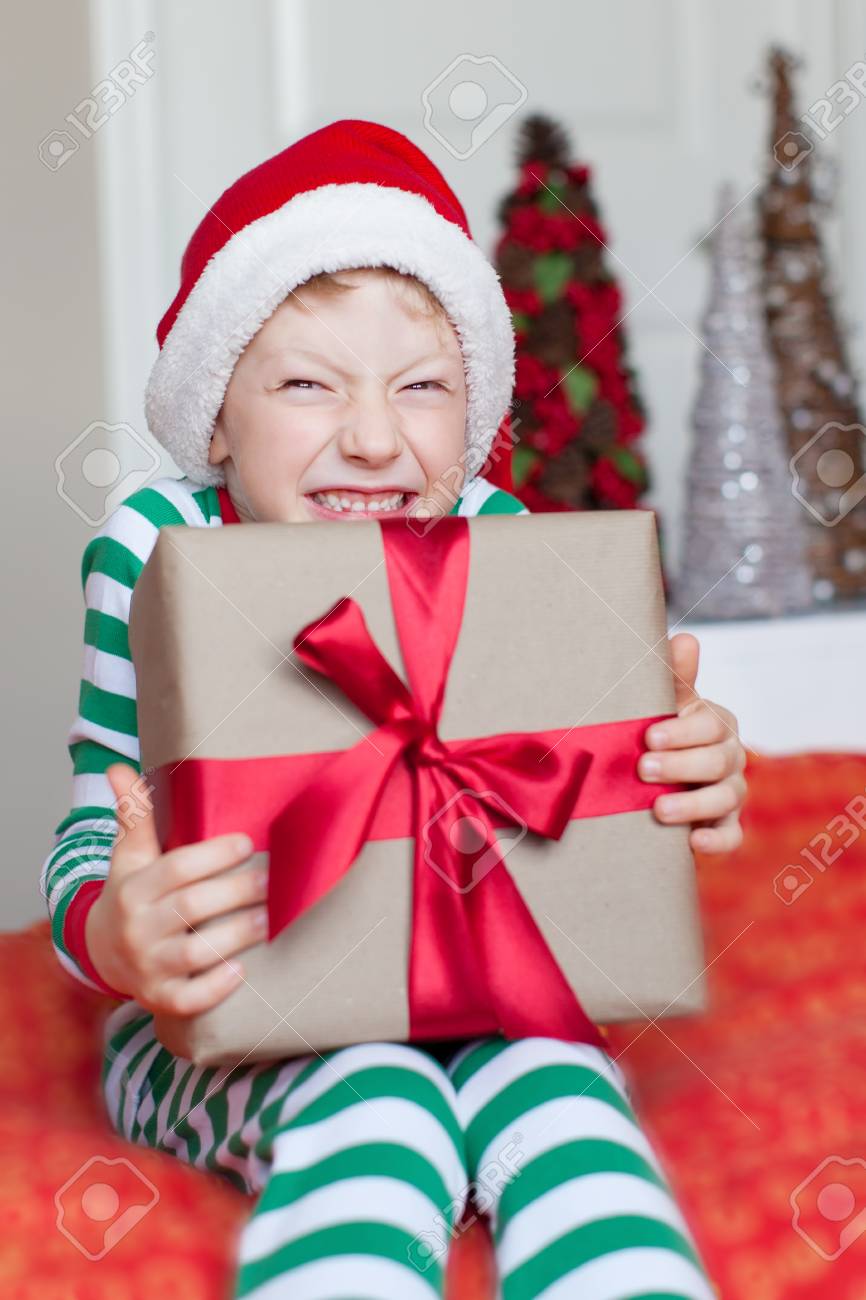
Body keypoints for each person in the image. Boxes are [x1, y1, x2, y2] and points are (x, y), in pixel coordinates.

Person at [42, 119, 745, 1299]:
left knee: (565, 1088)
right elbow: (87, 831)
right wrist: (119, 931)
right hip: (223, 1029)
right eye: (308, 383)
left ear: (467, 419)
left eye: (420, 388)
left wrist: (674, 777)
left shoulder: (499, 538)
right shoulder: (158, 550)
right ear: (216, 418)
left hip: (485, 993)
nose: (373, 437)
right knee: (378, 1089)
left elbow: (585, 818)